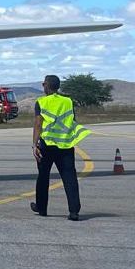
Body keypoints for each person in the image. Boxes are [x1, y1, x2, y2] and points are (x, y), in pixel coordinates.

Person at [31, 74, 91, 221]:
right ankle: (74, 211)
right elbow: (72, 121)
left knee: (43, 176)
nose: (43, 86)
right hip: (65, 145)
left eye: (43, 84)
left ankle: (42, 208)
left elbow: (38, 124)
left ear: (46, 85)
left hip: (47, 145)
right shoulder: (68, 101)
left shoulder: (41, 102)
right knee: (69, 177)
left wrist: (34, 144)